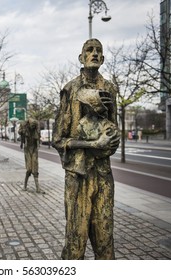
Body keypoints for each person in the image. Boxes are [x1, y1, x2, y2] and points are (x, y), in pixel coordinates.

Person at [52, 38, 120, 260]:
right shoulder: (70, 89)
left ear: (103, 58)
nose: (94, 53)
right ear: (81, 58)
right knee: (76, 239)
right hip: (78, 174)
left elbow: (114, 130)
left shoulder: (109, 88)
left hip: (102, 173)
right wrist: (93, 145)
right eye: (89, 50)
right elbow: (58, 139)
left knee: (105, 240)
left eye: (98, 51)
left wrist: (110, 141)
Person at [19, 118, 45, 194]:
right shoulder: (25, 129)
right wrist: (22, 131)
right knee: (29, 169)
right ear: (29, 125)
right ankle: (25, 186)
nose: (33, 127)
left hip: (34, 150)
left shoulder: (36, 130)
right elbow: (20, 132)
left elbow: (37, 141)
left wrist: (38, 146)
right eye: (32, 125)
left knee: (35, 169)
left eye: (34, 126)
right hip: (27, 150)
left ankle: (38, 188)